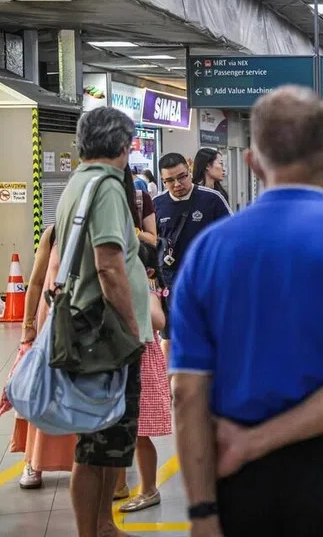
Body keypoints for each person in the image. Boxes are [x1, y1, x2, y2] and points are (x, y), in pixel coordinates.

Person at [170, 86, 323, 536]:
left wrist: (203, 512)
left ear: (254, 162)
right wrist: (254, 444)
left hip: (246, 488)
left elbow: (187, 394)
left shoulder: (208, 252)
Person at [58, 106, 152, 537]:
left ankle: (101, 525)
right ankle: (93, 529)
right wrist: (132, 331)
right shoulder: (110, 187)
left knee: (94, 445)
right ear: (121, 145)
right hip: (106, 337)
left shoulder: (77, 182)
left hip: (86, 330)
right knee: (98, 445)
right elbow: (109, 264)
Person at [3, 226, 75, 490]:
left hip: (87, 328)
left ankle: (88, 462)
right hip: (50, 327)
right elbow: (34, 281)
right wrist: (27, 326)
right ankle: (33, 461)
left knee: (82, 395)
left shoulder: (103, 228)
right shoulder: (53, 233)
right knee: (42, 392)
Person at [154, 152, 232, 356]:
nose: (177, 184)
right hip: (169, 281)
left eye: (182, 177)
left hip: (205, 281)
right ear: (163, 181)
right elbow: (150, 242)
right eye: (169, 180)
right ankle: (169, 386)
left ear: (189, 172)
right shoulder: (157, 205)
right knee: (169, 337)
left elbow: (231, 237)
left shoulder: (211, 199)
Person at [117, 243, 172, 513]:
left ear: (147, 271)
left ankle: (149, 488)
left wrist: (137, 290)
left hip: (143, 363)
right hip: (122, 360)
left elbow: (159, 321)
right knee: (116, 429)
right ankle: (118, 486)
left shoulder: (149, 290)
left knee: (139, 433)